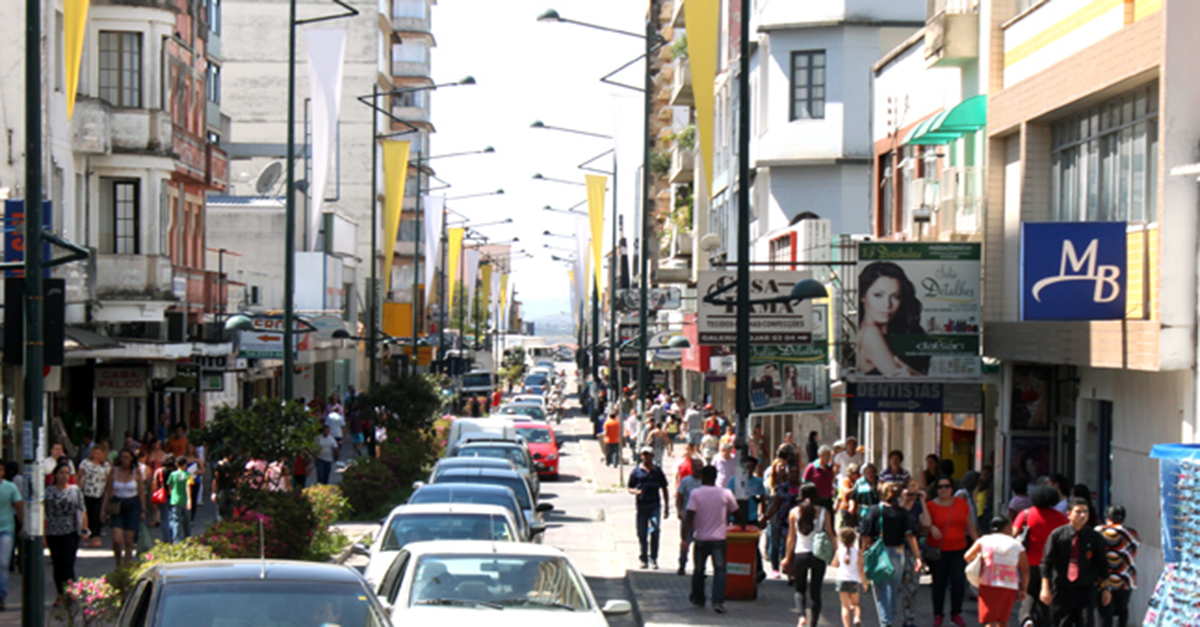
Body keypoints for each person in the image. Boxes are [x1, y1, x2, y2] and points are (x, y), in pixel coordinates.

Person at [858, 482, 923, 627]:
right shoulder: (902, 513)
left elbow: (866, 536)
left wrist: (862, 554)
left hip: (881, 553)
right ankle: (890, 618)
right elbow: (911, 536)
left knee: (882, 590)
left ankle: (886, 622)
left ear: (881, 494)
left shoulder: (875, 511)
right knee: (893, 591)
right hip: (899, 553)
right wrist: (918, 557)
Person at [1040, 498, 1111, 626]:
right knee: (1061, 622)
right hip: (1062, 588)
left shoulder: (1094, 537)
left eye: (1085, 511)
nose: (1082, 515)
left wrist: (1106, 588)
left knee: (1086, 622)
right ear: (1069, 514)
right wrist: (1045, 588)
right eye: (1078, 512)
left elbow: (1102, 563)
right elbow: (1046, 562)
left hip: (1086, 588)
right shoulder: (1058, 535)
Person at [1012, 485, 1070, 627]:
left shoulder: (1025, 514)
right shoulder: (1060, 517)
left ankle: (1026, 617)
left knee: (1029, 591)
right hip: (1052, 562)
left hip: (1029, 560)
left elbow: (1013, 536)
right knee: (1047, 593)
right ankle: (1045, 622)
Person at [683, 465, 738, 614]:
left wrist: (684, 538)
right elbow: (736, 511)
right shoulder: (725, 493)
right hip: (719, 539)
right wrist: (742, 526)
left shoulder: (695, 493)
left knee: (699, 570)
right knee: (720, 570)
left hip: (700, 538)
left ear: (704, 477)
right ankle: (718, 600)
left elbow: (689, 515)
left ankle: (698, 598)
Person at [857, 261, 928, 375]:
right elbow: (903, 381)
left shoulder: (891, 332)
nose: (887, 305)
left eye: (895, 297)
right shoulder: (869, 333)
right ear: (863, 296)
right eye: (879, 295)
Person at [926, 475, 980, 626]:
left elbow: (970, 526)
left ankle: (956, 613)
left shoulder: (961, 504)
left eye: (947, 486)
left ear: (952, 488)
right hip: (938, 551)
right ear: (936, 489)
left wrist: (979, 544)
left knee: (958, 581)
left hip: (958, 549)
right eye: (940, 487)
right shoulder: (931, 505)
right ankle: (938, 614)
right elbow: (922, 525)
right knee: (939, 583)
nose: (944, 489)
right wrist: (931, 527)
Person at [783, 483, 835, 626]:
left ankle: (801, 616)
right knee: (816, 591)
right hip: (818, 555)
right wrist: (837, 554)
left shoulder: (794, 512)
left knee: (800, 589)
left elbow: (791, 538)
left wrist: (787, 558)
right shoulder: (824, 512)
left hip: (800, 553)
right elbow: (831, 534)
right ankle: (813, 622)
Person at [965, 516, 1028, 627]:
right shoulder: (1016, 545)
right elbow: (1025, 570)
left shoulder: (984, 540)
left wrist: (982, 557)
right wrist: (1023, 589)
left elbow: (967, 556)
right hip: (1010, 585)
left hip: (988, 583)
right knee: (1003, 620)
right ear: (1007, 527)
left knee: (989, 620)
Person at [45, 460, 86, 595]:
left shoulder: (75, 490)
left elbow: (81, 510)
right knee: (57, 564)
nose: (64, 476)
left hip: (71, 531)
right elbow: (44, 513)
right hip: (53, 532)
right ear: (55, 475)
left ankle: (70, 592)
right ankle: (61, 593)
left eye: (67, 473)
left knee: (68, 563)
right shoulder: (48, 492)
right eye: (61, 473)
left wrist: (84, 529)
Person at [628, 446, 669, 570]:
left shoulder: (657, 471)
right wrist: (635, 491)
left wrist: (667, 506)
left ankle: (653, 558)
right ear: (641, 456)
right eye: (644, 455)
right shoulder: (636, 471)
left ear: (652, 456)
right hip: (641, 506)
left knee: (655, 529)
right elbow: (630, 487)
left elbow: (664, 487)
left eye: (648, 455)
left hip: (654, 505)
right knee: (642, 533)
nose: (646, 457)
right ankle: (643, 558)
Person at [1097, 505, 1138, 627]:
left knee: (1105, 613)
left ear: (1107, 517)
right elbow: (1134, 552)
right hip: (1126, 578)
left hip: (1105, 579)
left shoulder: (1099, 532)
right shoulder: (1131, 533)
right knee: (1122, 610)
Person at [102, 449, 144, 566]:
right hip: (117, 505)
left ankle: (127, 563)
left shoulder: (136, 472)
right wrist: (103, 510)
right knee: (117, 540)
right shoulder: (114, 471)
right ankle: (118, 563)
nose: (124, 460)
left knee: (129, 540)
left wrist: (143, 510)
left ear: (132, 460)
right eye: (122, 457)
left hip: (133, 504)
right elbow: (108, 491)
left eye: (127, 457)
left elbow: (141, 491)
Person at [898, 480, 932, 627]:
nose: (912, 496)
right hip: (897, 550)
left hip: (913, 550)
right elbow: (894, 519)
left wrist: (923, 502)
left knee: (911, 587)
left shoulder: (918, 507)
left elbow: (926, 524)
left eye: (915, 493)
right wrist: (904, 502)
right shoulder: (896, 505)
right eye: (909, 492)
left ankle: (908, 619)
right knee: (895, 586)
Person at [832, 526, 867, 627]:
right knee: (855, 604)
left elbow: (834, 564)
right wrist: (864, 583)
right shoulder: (858, 552)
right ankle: (856, 618)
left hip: (841, 580)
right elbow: (861, 568)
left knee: (845, 606)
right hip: (854, 580)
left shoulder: (839, 551)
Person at [676, 457, 704, 575]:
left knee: (701, 543)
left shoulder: (706, 481)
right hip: (688, 516)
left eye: (700, 466)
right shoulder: (686, 481)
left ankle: (699, 568)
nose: (698, 468)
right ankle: (682, 564)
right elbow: (680, 496)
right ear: (692, 468)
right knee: (685, 541)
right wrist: (679, 511)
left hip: (702, 517)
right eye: (696, 466)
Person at [0, 462, 22, 610]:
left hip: (6, 529)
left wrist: (23, 525)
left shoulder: (10, 487)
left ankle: (1, 595)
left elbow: (19, 506)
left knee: (3, 563)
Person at [78, 447, 111, 547]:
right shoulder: (85, 463)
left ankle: (96, 536)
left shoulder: (106, 465)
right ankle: (86, 535)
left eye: (99, 453)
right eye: (95, 453)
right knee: (87, 515)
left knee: (97, 515)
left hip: (99, 492)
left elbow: (108, 479)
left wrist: (108, 492)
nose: (97, 455)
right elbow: (79, 475)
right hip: (87, 491)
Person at [804, 445, 837, 513]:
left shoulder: (830, 467)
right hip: (815, 501)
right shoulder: (811, 467)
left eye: (829, 456)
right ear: (820, 455)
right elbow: (805, 483)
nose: (829, 458)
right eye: (827, 456)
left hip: (828, 500)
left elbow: (832, 480)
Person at [167, 456, 192, 542]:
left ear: (176, 464)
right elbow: (188, 487)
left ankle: (176, 540)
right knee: (186, 520)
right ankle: (187, 538)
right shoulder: (188, 475)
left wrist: (170, 493)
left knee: (176, 520)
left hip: (175, 500)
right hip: (185, 500)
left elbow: (170, 485)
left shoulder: (173, 474)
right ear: (185, 465)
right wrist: (189, 499)